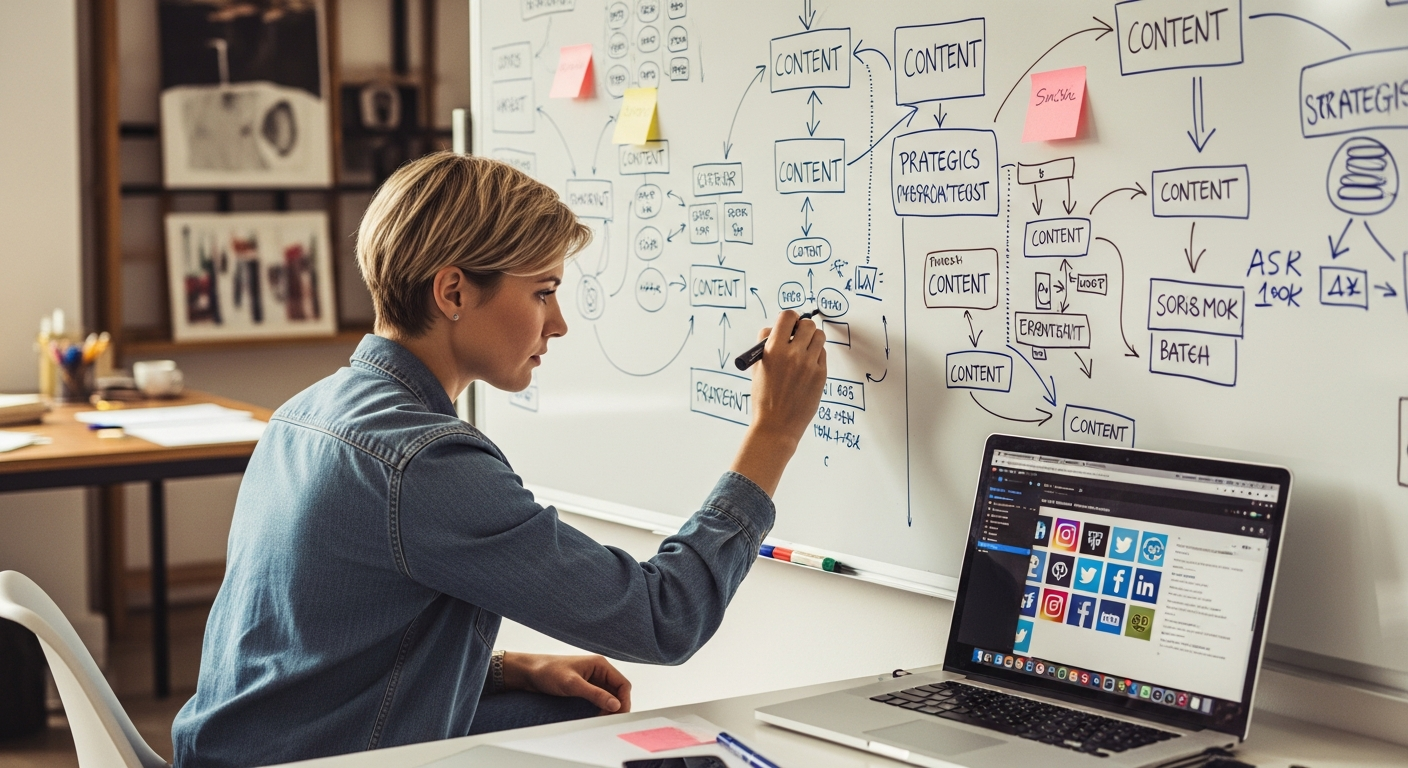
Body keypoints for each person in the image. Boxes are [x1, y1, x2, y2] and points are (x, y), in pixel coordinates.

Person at [171, 152, 828, 768]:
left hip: (239, 748)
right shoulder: (424, 463)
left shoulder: (306, 412)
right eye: (543, 292)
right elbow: (663, 618)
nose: (560, 322)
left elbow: (306, 646)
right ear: (453, 293)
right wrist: (774, 434)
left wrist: (504, 666)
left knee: (555, 706)